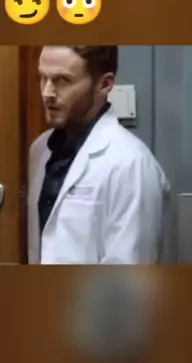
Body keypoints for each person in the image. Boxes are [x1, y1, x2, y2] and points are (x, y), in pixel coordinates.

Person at [28, 46, 170, 264]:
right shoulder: (40, 150)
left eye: (62, 80)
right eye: (43, 78)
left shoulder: (131, 164)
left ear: (104, 84)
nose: (47, 92)